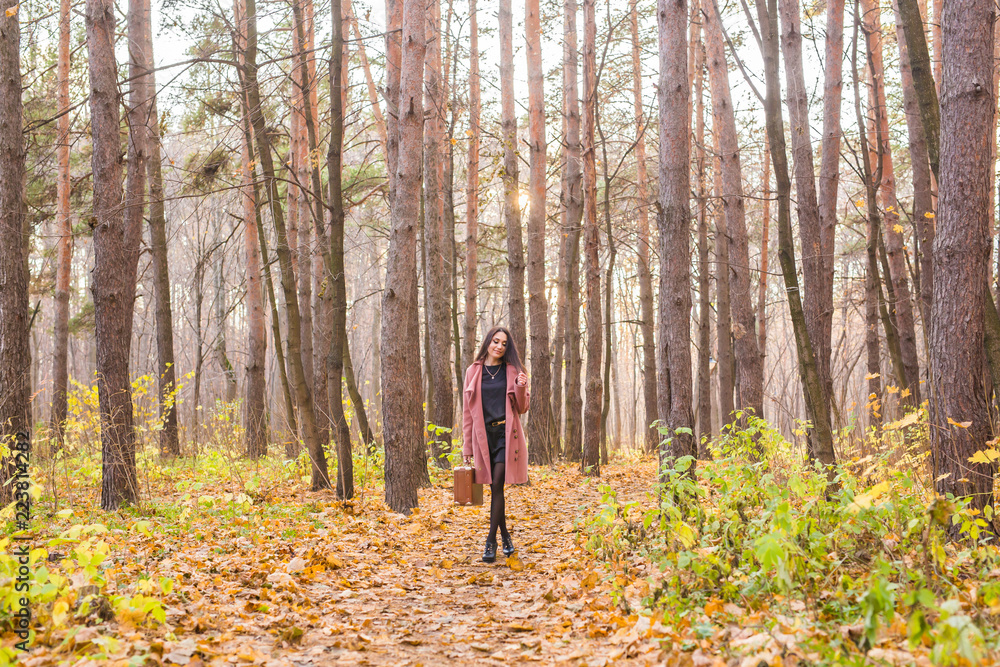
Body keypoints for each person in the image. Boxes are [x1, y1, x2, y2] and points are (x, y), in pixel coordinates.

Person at [461, 326, 530, 563]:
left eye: (504, 344)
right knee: (494, 488)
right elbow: (467, 413)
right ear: (488, 342)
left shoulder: (513, 371)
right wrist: (467, 448)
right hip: (482, 438)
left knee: (498, 483)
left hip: (505, 435)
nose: (499, 346)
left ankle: (490, 541)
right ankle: (506, 536)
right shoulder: (473, 371)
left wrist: (521, 386)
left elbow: (522, 408)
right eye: (496, 341)